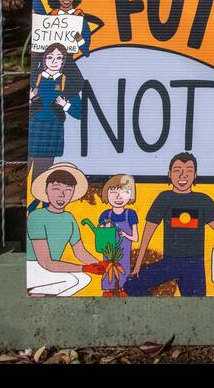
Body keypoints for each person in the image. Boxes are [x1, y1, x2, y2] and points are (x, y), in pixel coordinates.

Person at [124, 153, 214, 297]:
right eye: (177, 170)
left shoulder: (202, 200)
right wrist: (137, 266)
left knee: (197, 307)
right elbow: (148, 231)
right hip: (170, 261)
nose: (183, 175)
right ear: (169, 174)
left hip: (194, 264)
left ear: (195, 175)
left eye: (189, 170)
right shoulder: (164, 198)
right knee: (131, 284)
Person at [26, 162, 99, 296]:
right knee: (71, 281)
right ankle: (36, 294)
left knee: (84, 279)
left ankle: (40, 295)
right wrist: (84, 268)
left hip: (52, 268)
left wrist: (101, 265)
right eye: (56, 189)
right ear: (46, 189)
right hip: (33, 266)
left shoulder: (69, 218)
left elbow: (80, 252)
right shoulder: (36, 216)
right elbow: (45, 261)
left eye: (68, 190)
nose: (62, 195)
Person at [27, 44, 83, 209]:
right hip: (33, 129)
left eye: (59, 58)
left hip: (52, 132)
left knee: (41, 179)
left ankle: (37, 211)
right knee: (25, 169)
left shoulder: (67, 83)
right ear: (44, 59)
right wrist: (30, 99)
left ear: (63, 62)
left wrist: (65, 104)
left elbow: (80, 113)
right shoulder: (34, 79)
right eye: (50, 57)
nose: (54, 61)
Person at [97, 174, 139, 297]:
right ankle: (107, 290)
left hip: (124, 252)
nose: (119, 196)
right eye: (113, 192)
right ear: (106, 194)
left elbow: (135, 238)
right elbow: (100, 235)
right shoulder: (105, 215)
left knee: (124, 268)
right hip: (108, 252)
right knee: (107, 268)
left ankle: (123, 288)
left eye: (125, 192)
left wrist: (125, 234)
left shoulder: (130, 214)